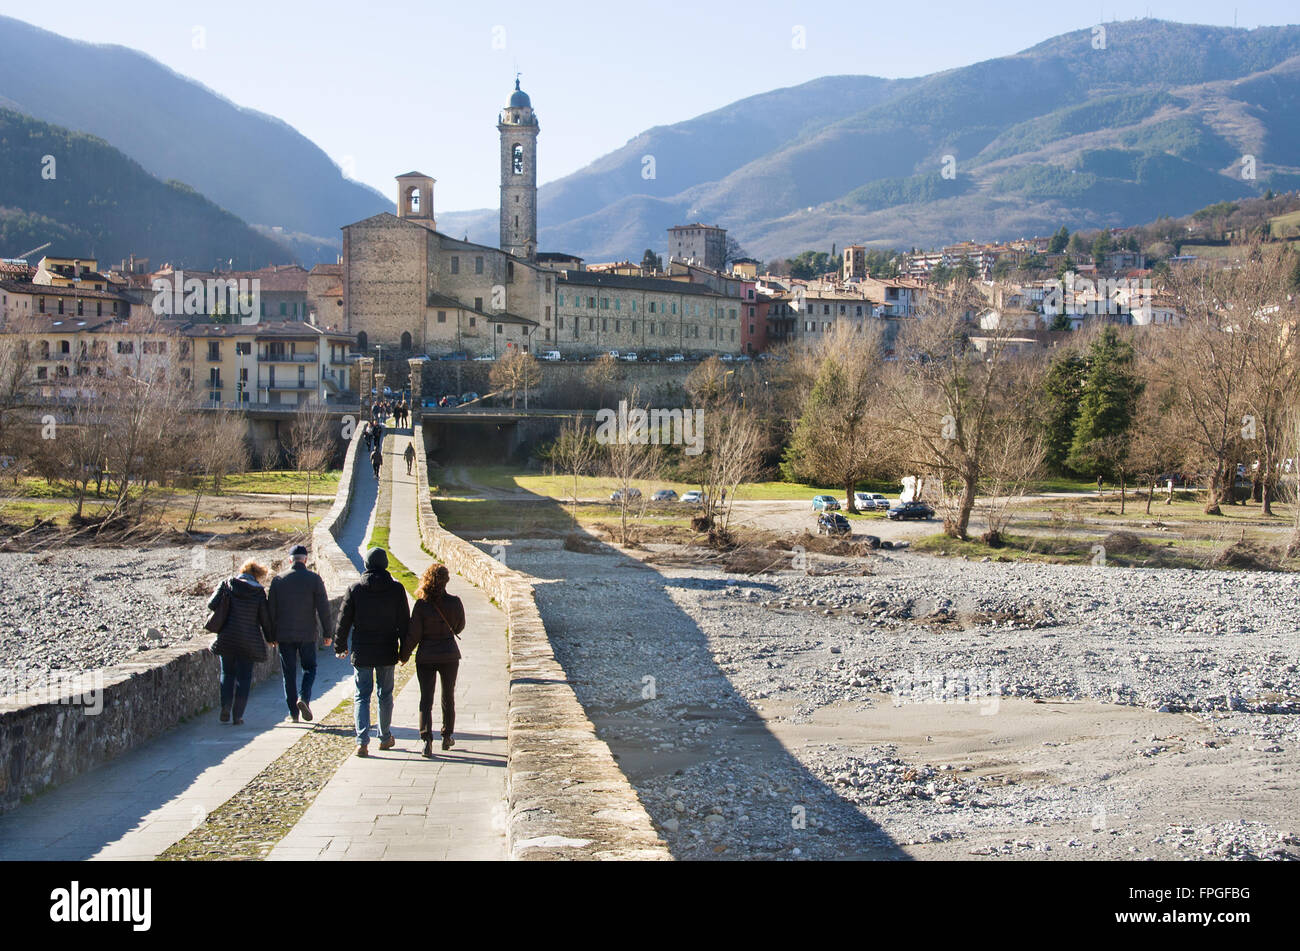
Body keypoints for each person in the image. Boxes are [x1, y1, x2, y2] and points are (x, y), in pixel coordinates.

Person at [334, 548, 409, 756]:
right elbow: (404, 623)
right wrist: (405, 652)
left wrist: (340, 646)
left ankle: (362, 742)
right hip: (387, 649)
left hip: (362, 650)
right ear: (385, 564)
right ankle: (385, 737)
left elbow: (343, 621)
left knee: (362, 696)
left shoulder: (355, 589)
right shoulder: (396, 589)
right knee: (385, 694)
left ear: (366, 564)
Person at [401, 563, 465, 756]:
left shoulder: (421, 605)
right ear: (446, 581)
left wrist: (403, 656)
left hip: (426, 656)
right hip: (449, 654)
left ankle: (426, 740)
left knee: (426, 699)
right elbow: (460, 626)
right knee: (448, 696)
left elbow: (414, 634)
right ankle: (447, 736)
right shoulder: (455, 602)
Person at [268, 544, 332, 723]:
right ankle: (303, 698)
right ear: (305, 559)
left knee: (288, 673)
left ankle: (293, 714)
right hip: (307, 634)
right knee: (309, 668)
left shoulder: (278, 580)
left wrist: (271, 635)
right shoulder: (314, 579)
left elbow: (270, 611)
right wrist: (328, 632)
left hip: (284, 635)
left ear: (290, 560)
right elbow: (324, 609)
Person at [208, 560, 276, 725]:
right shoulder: (258, 592)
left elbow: (211, 604)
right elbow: (265, 619)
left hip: (227, 637)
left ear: (242, 570)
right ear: (257, 575)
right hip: (249, 641)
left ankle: (225, 707)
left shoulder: (227, 584)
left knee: (227, 673)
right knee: (244, 678)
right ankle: (237, 715)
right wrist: (270, 638)